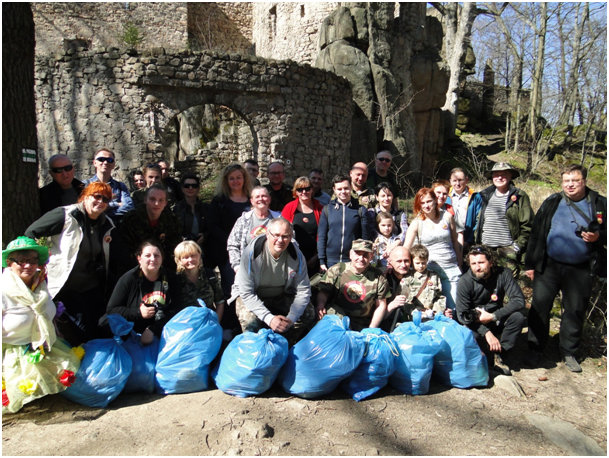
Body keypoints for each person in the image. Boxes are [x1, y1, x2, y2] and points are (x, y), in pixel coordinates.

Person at [525, 164, 607, 373]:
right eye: (566, 181)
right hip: (549, 265)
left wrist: (599, 237)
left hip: (581, 268)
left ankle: (569, 351)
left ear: (584, 181)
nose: (570, 185)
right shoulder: (553, 202)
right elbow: (536, 234)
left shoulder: (599, 204)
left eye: (575, 180)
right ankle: (535, 348)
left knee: (574, 310)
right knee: (540, 307)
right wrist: (531, 264)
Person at [25, 182, 118, 345]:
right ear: (85, 197)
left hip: (91, 285)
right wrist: (40, 258)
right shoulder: (66, 215)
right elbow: (32, 232)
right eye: (97, 196)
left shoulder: (106, 223)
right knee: (79, 331)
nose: (100, 202)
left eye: (106, 199)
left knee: (98, 327)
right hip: (66, 285)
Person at [2, 237, 80, 413]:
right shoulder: (3, 290)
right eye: (21, 261)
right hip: (12, 353)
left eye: (32, 261)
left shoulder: (40, 284)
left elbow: (47, 316)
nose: (28, 266)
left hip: (46, 346)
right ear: (9, 263)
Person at [231, 218, 315, 346]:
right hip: (252, 295)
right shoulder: (251, 254)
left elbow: (304, 290)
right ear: (267, 234)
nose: (280, 240)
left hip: (281, 294)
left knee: (308, 313)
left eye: (285, 236)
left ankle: (285, 343)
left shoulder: (297, 256)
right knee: (250, 321)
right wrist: (269, 319)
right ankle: (253, 349)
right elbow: (246, 293)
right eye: (276, 235)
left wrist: (291, 319)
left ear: (291, 236)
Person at [456, 245, 526, 376]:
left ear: (491, 262)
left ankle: (501, 354)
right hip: (476, 323)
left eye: (481, 262)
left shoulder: (503, 274)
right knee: (472, 335)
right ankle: (485, 358)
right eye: (473, 263)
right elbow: (462, 315)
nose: (477, 267)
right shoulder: (464, 282)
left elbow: (519, 300)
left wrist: (494, 316)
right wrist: (487, 332)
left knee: (518, 317)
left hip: (495, 318)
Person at [465, 162, 534, 276]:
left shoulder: (519, 196)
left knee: (508, 285)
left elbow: (528, 225)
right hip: (486, 249)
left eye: (504, 174)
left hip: (507, 250)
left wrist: (517, 246)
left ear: (511, 176)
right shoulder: (484, 196)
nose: (500, 177)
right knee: (486, 285)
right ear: (492, 177)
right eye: (496, 174)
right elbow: (478, 221)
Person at [106, 240, 180, 344]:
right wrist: (138, 312)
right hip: (131, 334)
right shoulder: (129, 279)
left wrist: (154, 330)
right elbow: (111, 310)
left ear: (162, 258)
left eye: (156, 255)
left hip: (163, 330)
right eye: (148, 255)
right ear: (139, 258)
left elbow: (177, 309)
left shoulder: (171, 278)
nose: (152, 259)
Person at [404, 188, 462, 311]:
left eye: (429, 201)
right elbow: (406, 248)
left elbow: (455, 242)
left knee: (454, 307)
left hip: (450, 267)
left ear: (435, 200)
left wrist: (460, 262)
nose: (426, 205)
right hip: (429, 271)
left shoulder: (447, 217)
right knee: (433, 309)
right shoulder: (417, 223)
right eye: (423, 203)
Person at [315, 239, 390, 331]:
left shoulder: (378, 277)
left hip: (362, 323)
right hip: (337, 318)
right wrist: (320, 305)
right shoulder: (337, 270)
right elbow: (324, 292)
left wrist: (371, 329)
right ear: (350, 254)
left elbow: (381, 305)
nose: (361, 258)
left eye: (365, 255)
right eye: (358, 254)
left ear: (371, 257)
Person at [206, 163, 253, 300]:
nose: (235, 181)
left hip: (250, 252)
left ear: (244, 179)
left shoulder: (252, 200)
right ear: (226, 181)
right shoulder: (219, 201)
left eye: (238, 177)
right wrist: (231, 242)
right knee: (231, 289)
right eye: (231, 178)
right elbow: (212, 225)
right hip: (227, 253)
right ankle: (230, 320)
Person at [120, 183, 182, 271]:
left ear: (165, 203)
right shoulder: (131, 219)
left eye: (161, 200)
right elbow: (125, 250)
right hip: (135, 267)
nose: (156, 203)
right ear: (145, 200)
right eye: (152, 199)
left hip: (163, 267)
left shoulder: (171, 221)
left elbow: (174, 248)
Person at [317, 174, 371, 271]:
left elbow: (365, 238)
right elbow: (321, 236)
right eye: (339, 189)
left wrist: (362, 258)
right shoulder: (327, 210)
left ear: (351, 187)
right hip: (330, 261)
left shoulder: (360, 210)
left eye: (346, 188)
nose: (343, 192)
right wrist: (321, 261)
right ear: (334, 190)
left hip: (352, 261)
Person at [387, 244, 448, 322]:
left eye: (423, 263)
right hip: (413, 318)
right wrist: (415, 312)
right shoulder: (408, 278)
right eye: (417, 263)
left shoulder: (433, 277)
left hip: (432, 316)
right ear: (412, 262)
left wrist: (435, 312)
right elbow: (403, 300)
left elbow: (439, 296)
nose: (421, 266)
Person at [227, 186, 280, 274]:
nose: (261, 199)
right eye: (257, 197)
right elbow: (232, 245)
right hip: (247, 270)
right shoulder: (243, 220)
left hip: (274, 270)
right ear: (251, 201)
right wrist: (237, 267)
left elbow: (291, 241)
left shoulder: (279, 218)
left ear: (269, 199)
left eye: (264, 196)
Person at [281, 176, 324, 275]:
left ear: (312, 190)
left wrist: (316, 257)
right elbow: (282, 231)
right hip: (292, 257)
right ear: (295, 192)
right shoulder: (289, 208)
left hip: (314, 258)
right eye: (300, 189)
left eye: (307, 189)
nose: (304, 192)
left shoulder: (320, 209)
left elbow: (325, 234)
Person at [173, 241, 225, 321]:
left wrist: (216, 322)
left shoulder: (209, 275)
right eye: (185, 257)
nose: (190, 260)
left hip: (209, 322)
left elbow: (220, 301)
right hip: (185, 325)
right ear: (179, 260)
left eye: (193, 255)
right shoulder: (175, 280)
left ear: (199, 255)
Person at [84, 148, 134, 221]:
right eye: (101, 159)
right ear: (94, 163)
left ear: (113, 164)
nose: (105, 162)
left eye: (109, 160)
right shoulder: (86, 185)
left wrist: (104, 214)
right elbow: (84, 207)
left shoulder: (120, 186)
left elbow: (129, 206)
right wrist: (116, 204)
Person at [380, 246, 412, 331]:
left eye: (406, 261)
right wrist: (392, 305)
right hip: (388, 326)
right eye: (399, 261)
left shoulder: (417, 277)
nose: (403, 265)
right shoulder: (382, 279)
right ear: (390, 262)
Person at [173, 173, 208, 246]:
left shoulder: (206, 208)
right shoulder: (176, 208)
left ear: (198, 188)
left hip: (204, 247)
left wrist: (205, 236)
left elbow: (212, 227)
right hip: (182, 247)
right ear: (182, 189)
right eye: (187, 186)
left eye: (194, 186)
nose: (190, 188)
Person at [449, 167, 474, 248]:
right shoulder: (444, 196)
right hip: (448, 241)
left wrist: (469, 241)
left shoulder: (475, 197)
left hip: (468, 241)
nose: (457, 183)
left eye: (460, 180)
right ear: (450, 181)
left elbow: (478, 221)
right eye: (454, 181)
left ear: (466, 180)